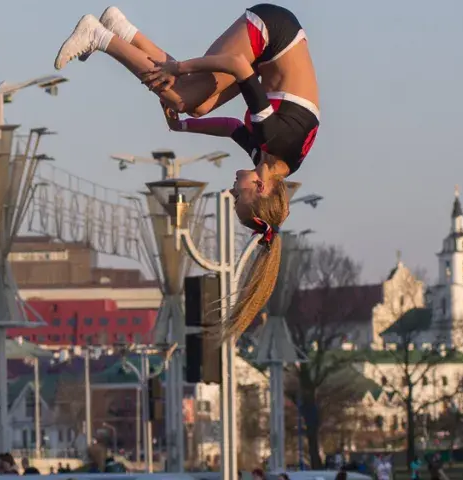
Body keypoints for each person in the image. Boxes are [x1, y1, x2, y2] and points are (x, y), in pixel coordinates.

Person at [54, 4, 318, 336]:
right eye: (240, 196)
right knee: (182, 95)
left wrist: (185, 129)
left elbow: (234, 127)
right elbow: (237, 65)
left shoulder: (269, 161)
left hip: (271, 56)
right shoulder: (274, 139)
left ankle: (124, 31)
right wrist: (177, 68)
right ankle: (100, 36)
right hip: (274, 32)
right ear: (261, 189)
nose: (233, 190)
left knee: (199, 103)